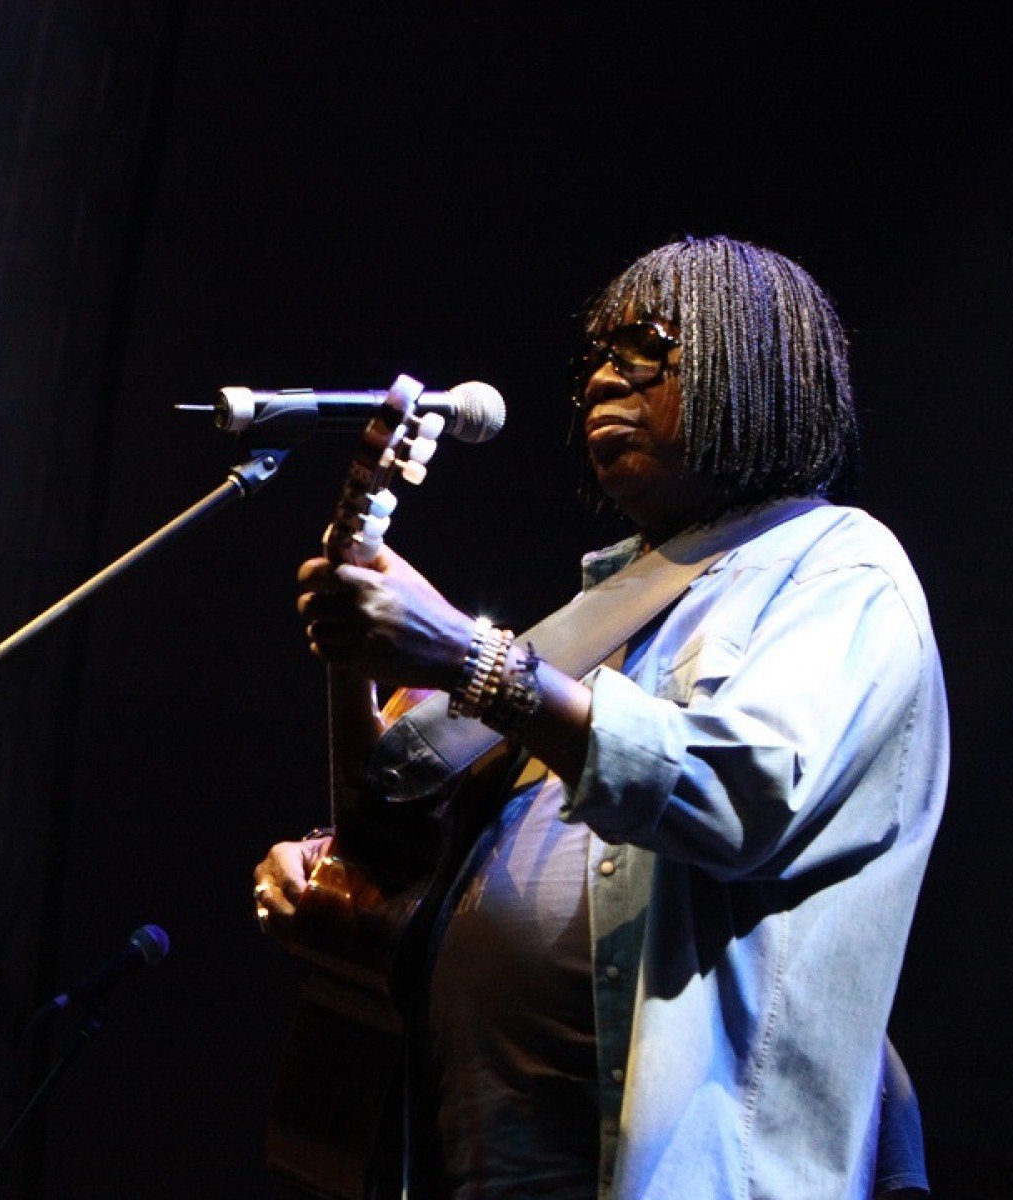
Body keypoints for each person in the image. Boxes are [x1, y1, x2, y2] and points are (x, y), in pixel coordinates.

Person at [254, 236, 944, 1198]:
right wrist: (352, 687)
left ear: (757, 362)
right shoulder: (602, 612)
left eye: (646, 343)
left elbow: (733, 793)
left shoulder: (839, 570)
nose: (600, 378)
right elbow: (394, 840)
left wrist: (464, 651)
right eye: (592, 359)